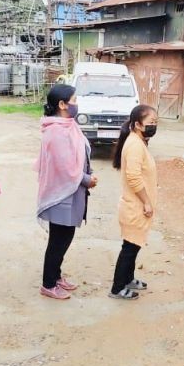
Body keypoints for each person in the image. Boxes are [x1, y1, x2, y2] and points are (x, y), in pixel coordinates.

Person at [35, 84, 97, 300]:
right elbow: (65, 166)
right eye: (74, 99)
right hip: (60, 194)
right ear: (62, 104)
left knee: (65, 236)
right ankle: (48, 283)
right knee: (58, 239)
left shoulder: (68, 125)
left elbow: (78, 156)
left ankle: (57, 275)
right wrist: (86, 179)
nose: (76, 104)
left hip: (70, 191)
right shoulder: (55, 131)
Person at [109, 105, 159, 300]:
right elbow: (134, 178)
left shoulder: (138, 141)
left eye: (156, 123)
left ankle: (128, 278)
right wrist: (146, 202)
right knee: (130, 248)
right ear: (138, 124)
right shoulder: (135, 145)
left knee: (134, 244)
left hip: (136, 205)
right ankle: (117, 287)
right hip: (135, 206)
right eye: (151, 123)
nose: (154, 126)